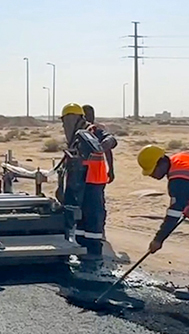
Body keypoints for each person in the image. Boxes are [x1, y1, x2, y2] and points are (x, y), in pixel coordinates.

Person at [139, 145, 189, 301]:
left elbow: (174, 214)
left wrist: (158, 239)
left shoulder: (178, 181)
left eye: (152, 171)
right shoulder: (180, 159)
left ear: (161, 163)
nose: (151, 175)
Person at [60, 103, 117, 266]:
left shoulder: (91, 131)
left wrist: (101, 146)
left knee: (93, 216)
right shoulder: (74, 137)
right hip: (80, 182)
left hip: (93, 180)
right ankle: (82, 248)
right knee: (81, 217)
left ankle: (93, 251)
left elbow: (110, 140)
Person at [82, 104, 116, 184]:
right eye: (87, 115)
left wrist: (111, 169)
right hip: (80, 173)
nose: (90, 117)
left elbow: (108, 150)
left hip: (96, 174)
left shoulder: (97, 130)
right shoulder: (76, 131)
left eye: (91, 115)